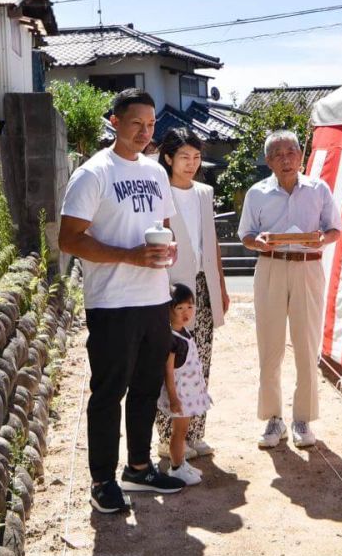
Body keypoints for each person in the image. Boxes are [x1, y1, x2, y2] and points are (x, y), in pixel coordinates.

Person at [58, 88, 188, 515]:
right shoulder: (93, 173)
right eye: (136, 124)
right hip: (112, 302)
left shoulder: (154, 173)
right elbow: (69, 239)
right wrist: (128, 256)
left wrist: (167, 254)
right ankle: (101, 479)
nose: (145, 132)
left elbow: (163, 227)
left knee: (147, 389)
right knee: (108, 392)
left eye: (151, 125)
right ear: (114, 122)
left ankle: (138, 467)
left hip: (153, 298)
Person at [239, 130, 342, 449]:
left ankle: (302, 419)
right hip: (270, 265)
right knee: (270, 345)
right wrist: (259, 242)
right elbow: (246, 235)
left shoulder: (318, 188)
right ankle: (273, 419)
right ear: (268, 160)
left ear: (301, 155)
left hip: (309, 266)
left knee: (307, 343)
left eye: (291, 152)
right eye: (278, 154)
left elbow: (335, 228)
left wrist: (321, 239)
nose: (286, 159)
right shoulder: (257, 193)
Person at [155, 128, 229, 460]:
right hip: (171, 287)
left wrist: (221, 286)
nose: (191, 164)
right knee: (171, 362)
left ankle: (196, 433)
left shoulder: (204, 192)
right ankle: (168, 435)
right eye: (184, 157)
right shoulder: (158, 193)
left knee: (201, 361)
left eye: (196, 157)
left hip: (203, 284)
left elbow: (211, 241)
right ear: (168, 158)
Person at [158, 283, 214, 486]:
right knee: (178, 432)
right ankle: (176, 467)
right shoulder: (171, 339)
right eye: (179, 308)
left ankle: (181, 462)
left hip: (189, 393)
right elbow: (169, 372)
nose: (186, 313)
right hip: (180, 395)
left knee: (183, 431)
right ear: (169, 310)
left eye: (190, 307)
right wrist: (173, 398)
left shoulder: (185, 332)